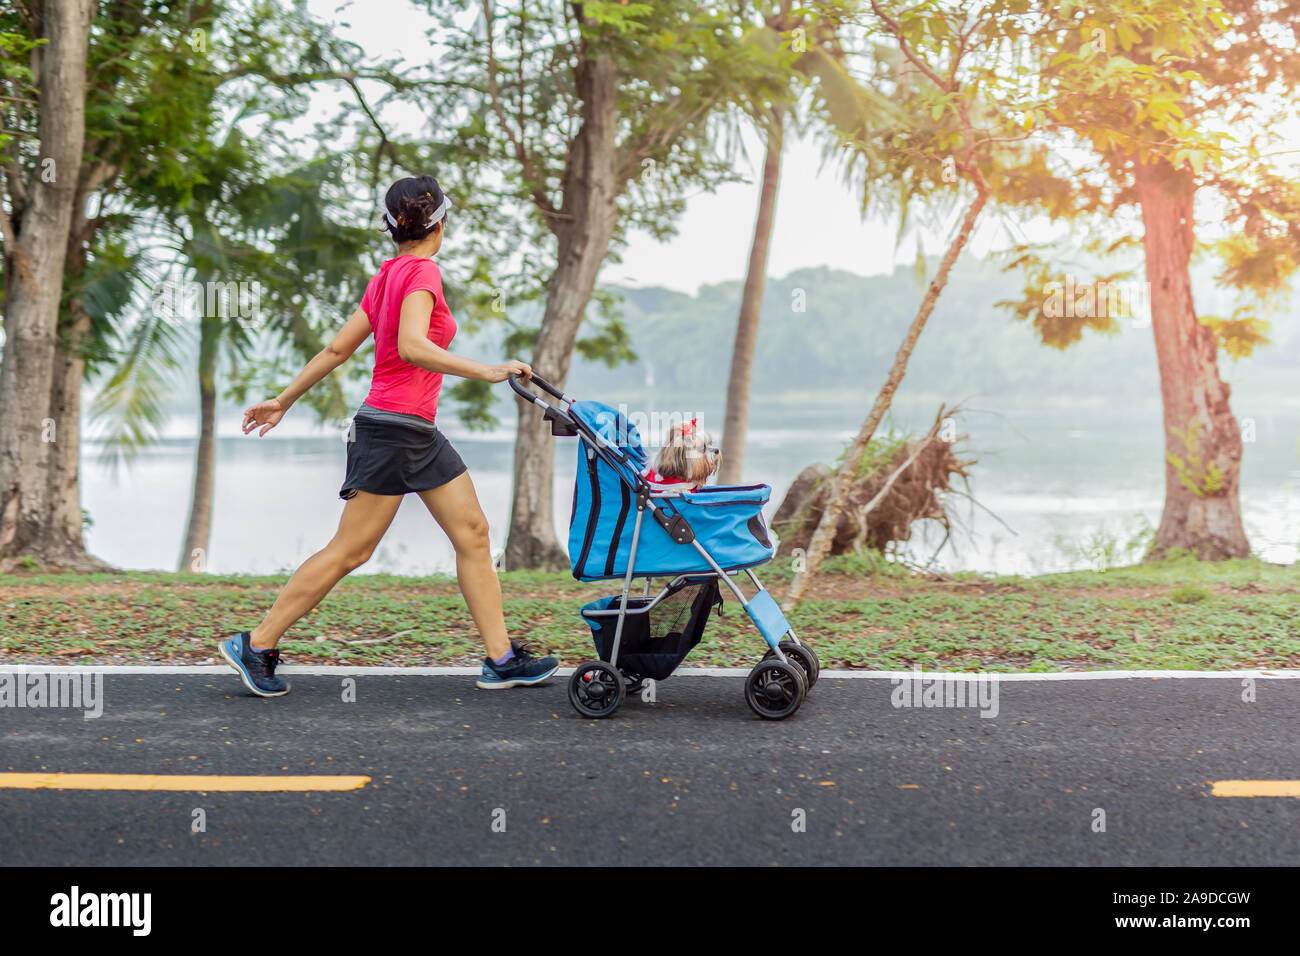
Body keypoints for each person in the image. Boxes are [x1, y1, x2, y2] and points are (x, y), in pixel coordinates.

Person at [219, 175, 558, 697]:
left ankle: (502, 658)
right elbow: (413, 347)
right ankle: (257, 644)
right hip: (393, 430)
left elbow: (337, 351)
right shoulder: (422, 273)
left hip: (412, 429)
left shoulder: (388, 275)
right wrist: (489, 370)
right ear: (439, 224)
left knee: (472, 532)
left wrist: (283, 400)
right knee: (352, 551)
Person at [642, 419, 721, 491]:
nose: (714, 450)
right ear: (682, 460)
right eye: (703, 449)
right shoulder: (671, 488)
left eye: (709, 445)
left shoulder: (687, 481)